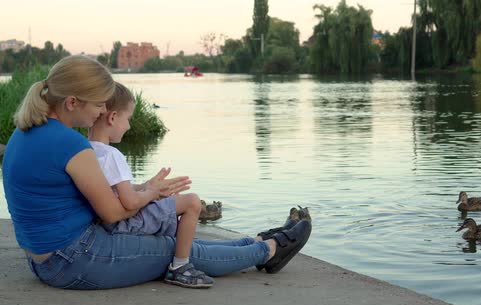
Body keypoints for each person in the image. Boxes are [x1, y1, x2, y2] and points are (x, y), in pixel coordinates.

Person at [2, 55, 312, 290]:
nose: (100, 112)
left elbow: (89, 194)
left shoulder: (26, 130)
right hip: (73, 259)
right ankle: (269, 250)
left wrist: (143, 189)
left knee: (178, 241)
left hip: (46, 257)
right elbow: (111, 213)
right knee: (171, 250)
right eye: (98, 105)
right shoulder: (71, 144)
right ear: (72, 102)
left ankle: (252, 242)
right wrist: (149, 194)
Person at [87, 82, 213, 288]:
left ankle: (173, 249)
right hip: (122, 224)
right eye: (128, 119)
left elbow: (112, 191)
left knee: (170, 204)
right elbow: (129, 202)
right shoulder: (112, 155)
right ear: (112, 117)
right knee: (192, 202)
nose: (128, 126)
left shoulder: (85, 149)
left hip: (102, 222)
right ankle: (180, 267)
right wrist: (152, 193)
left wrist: (147, 186)